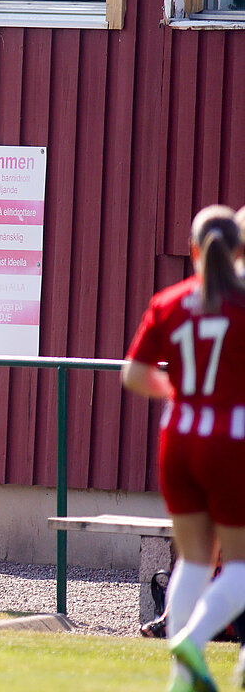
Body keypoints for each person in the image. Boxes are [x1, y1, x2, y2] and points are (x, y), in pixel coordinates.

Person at [122, 206, 245, 692]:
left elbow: (133, 374)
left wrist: (184, 394)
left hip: (179, 437)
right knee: (238, 564)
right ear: (239, 251)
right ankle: (193, 640)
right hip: (231, 438)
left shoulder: (170, 301)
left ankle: (181, 678)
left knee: (193, 560)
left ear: (193, 250)